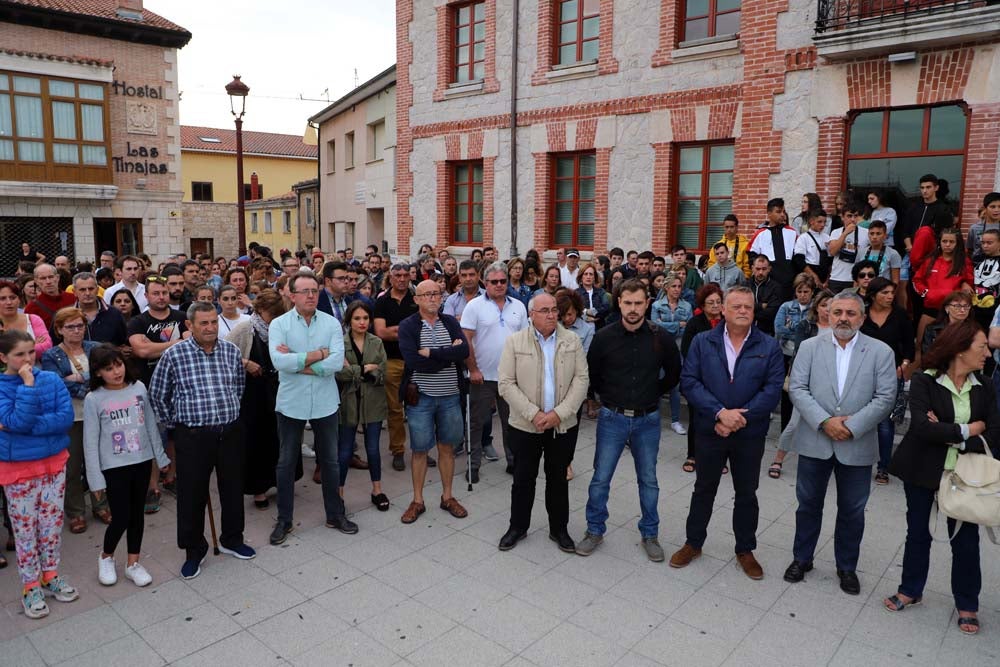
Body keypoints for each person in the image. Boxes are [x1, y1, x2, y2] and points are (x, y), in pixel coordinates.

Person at [884, 320, 996, 635]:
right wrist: (970, 428)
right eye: (981, 346)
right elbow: (920, 427)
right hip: (922, 469)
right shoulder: (924, 381)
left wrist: (947, 432)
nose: (987, 352)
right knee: (917, 532)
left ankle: (967, 603)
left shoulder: (985, 386)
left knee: (966, 540)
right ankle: (910, 589)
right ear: (960, 348)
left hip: (966, 476)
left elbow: (996, 433)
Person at [784, 291, 896, 595]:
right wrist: (825, 422)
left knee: (852, 510)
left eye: (850, 313)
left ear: (862, 317)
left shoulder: (881, 351)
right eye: (838, 313)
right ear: (828, 315)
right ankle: (802, 558)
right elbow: (797, 388)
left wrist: (853, 426)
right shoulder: (808, 347)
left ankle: (846, 566)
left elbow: (886, 397)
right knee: (808, 504)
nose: (843, 318)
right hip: (815, 439)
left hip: (856, 443)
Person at [670, 286, 784, 579]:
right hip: (711, 429)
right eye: (736, 306)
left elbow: (772, 391)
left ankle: (745, 549)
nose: (743, 311)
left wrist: (738, 418)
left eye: (748, 306)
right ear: (723, 310)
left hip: (749, 433)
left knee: (747, 492)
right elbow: (690, 381)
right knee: (703, 489)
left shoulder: (768, 346)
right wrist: (720, 413)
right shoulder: (701, 341)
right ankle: (693, 543)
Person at [577, 279, 681, 562]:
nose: (633, 309)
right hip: (612, 418)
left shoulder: (662, 338)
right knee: (601, 478)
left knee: (649, 480)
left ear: (647, 303)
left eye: (638, 303)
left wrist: (652, 394)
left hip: (647, 420)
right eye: (628, 303)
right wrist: (608, 397)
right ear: (619, 303)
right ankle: (594, 530)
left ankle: (650, 534)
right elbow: (592, 374)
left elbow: (673, 375)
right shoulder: (604, 337)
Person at [150, 302, 254, 579]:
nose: (210, 328)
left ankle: (232, 538)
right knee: (191, 494)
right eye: (203, 323)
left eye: (213, 323)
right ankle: (194, 549)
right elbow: (158, 395)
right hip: (193, 434)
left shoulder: (231, 351)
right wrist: (178, 424)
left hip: (229, 430)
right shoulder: (174, 355)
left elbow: (238, 387)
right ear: (190, 326)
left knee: (232, 487)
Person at [268, 272, 357, 544]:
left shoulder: (331, 324)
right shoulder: (279, 325)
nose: (310, 296)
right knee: (286, 462)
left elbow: (337, 363)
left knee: (330, 461)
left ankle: (335, 513)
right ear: (291, 295)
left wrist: (301, 364)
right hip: (290, 403)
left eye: (314, 291)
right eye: (304, 291)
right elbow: (278, 362)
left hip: (325, 402)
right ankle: (284, 519)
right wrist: (319, 355)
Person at [496, 292, 588, 553]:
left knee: (558, 478)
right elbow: (505, 383)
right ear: (531, 315)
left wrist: (559, 413)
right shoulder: (515, 342)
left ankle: (559, 529)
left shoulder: (572, 340)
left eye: (554, 310)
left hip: (561, 424)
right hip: (526, 425)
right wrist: (533, 414)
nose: (551, 315)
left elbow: (581, 380)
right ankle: (518, 527)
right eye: (544, 310)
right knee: (523, 478)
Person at [0, 330, 76, 619]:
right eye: (20, 354)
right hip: (17, 469)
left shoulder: (52, 379)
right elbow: (14, 419)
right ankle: (30, 585)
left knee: (51, 525)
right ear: (3, 357)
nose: (27, 359)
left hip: (54, 463)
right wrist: (28, 386)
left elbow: (64, 419)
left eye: (31, 352)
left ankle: (51, 574)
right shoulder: (5, 385)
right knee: (25, 531)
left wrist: (21, 426)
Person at [83, 346, 169, 588]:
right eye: (108, 369)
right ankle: (106, 557)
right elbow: (90, 441)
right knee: (120, 517)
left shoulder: (139, 388)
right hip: (114, 466)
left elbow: (150, 424)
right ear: (98, 372)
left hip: (141, 461)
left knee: (137, 516)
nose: (116, 372)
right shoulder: (94, 398)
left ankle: (133, 563)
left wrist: (160, 457)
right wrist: (95, 480)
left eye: (118, 365)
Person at [398, 279, 470, 524]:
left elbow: (464, 352)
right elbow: (414, 362)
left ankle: (447, 496)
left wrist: (432, 352)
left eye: (436, 294)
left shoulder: (449, 322)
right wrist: (447, 354)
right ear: (416, 299)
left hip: (450, 396)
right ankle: (417, 500)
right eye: (426, 294)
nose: (432, 298)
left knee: (447, 448)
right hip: (421, 398)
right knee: (419, 450)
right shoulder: (408, 326)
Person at [41, 308, 109, 533]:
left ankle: (101, 505)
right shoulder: (52, 355)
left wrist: (79, 378)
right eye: (70, 327)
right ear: (59, 329)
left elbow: (106, 375)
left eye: (80, 325)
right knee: (72, 467)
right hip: (72, 417)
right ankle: (76, 512)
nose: (77, 330)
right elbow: (56, 384)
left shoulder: (95, 347)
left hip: (98, 414)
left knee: (99, 461)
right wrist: (87, 383)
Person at [225, 289, 292, 510]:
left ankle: (278, 481)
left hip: (276, 390)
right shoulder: (245, 328)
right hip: (252, 396)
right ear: (261, 310)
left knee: (277, 438)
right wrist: (245, 362)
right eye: (271, 315)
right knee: (255, 442)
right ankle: (258, 490)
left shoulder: (280, 327)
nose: (274, 320)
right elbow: (224, 353)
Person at [461, 262, 528, 480]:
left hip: (510, 378)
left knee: (512, 423)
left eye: (502, 281)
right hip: (482, 377)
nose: (499, 285)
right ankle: (473, 466)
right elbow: (466, 340)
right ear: (485, 282)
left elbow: (524, 343)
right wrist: (473, 369)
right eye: (494, 281)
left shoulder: (518, 305)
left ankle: (513, 462)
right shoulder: (474, 306)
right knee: (477, 424)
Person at [127, 275, 187, 513]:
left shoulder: (182, 318)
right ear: (147, 295)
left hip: (179, 385)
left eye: (164, 292)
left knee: (175, 434)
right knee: (150, 435)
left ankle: (172, 477)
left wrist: (156, 348)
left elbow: (192, 343)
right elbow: (141, 351)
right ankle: (152, 485)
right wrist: (176, 344)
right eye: (156, 293)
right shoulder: (137, 322)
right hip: (147, 385)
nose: (161, 297)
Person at [770, 289, 835, 478]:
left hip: (831, 385)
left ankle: (824, 463)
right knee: (794, 423)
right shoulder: (806, 326)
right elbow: (799, 355)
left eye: (831, 306)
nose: (827, 309)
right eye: (824, 305)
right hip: (808, 382)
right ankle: (778, 459)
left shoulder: (841, 329)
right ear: (817, 307)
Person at [335, 301, 389, 510]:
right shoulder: (341, 343)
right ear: (349, 320)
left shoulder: (376, 342)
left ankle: (377, 489)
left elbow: (383, 371)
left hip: (373, 401)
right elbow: (338, 372)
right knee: (345, 450)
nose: (362, 322)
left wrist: (357, 370)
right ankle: (338, 493)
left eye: (365, 318)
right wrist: (364, 369)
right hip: (348, 401)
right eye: (357, 318)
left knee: (373, 449)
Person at [860, 278, 915, 485]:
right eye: (884, 293)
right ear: (873, 295)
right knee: (862, 418)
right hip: (863, 374)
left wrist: (905, 363)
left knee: (885, 424)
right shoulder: (862, 314)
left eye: (892, 292)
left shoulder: (900, 315)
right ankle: (859, 460)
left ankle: (883, 467)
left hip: (891, 374)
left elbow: (908, 344)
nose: (890, 296)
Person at [374, 263, 419, 472]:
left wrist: (399, 331)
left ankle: (421, 449)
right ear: (390, 278)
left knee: (420, 408)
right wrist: (408, 331)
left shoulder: (417, 300)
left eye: (405, 275)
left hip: (416, 361)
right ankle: (398, 450)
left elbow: (424, 329)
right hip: (391, 360)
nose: (402, 279)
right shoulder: (382, 302)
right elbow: (381, 332)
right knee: (395, 409)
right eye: (397, 275)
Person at [679, 284, 724, 473]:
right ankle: (693, 454)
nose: (715, 306)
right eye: (710, 303)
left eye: (718, 302)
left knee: (720, 419)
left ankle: (719, 458)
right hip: (699, 379)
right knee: (697, 418)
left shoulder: (728, 323)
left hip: (723, 380)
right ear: (703, 305)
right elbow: (687, 350)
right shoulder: (695, 323)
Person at [651, 275, 692, 436]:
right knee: (659, 384)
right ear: (666, 288)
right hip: (661, 350)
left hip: (679, 350)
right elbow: (655, 326)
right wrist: (677, 325)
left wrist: (666, 325)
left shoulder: (687, 306)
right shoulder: (657, 305)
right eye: (673, 286)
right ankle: (655, 419)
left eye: (679, 286)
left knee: (675, 387)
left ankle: (675, 420)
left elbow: (687, 329)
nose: (676, 289)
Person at [749, 198, 797, 302]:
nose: (782, 215)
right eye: (778, 212)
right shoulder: (760, 233)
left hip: (788, 283)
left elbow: (797, 257)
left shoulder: (792, 232)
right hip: (768, 283)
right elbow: (751, 256)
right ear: (769, 213)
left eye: (783, 211)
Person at [72, 272, 127, 347]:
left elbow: (123, 341)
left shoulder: (114, 314)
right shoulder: (66, 316)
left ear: (97, 290)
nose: (87, 293)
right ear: (74, 292)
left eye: (91, 289)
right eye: (82, 290)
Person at [826, 201, 869, 293]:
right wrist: (845, 233)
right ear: (842, 217)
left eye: (855, 216)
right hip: (837, 277)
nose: (853, 219)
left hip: (855, 279)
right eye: (849, 216)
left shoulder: (866, 233)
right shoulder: (836, 232)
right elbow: (832, 251)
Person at [0, 281, 51, 355]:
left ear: (19, 300)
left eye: (13, 298)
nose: (9, 302)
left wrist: (10, 352)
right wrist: (32, 346)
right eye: (2, 299)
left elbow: (47, 346)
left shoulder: (33, 319)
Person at [24, 264, 76, 333]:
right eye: (43, 278)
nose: (48, 282)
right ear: (36, 281)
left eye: (51, 277)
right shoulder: (32, 308)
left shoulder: (73, 299)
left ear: (57, 278)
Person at [793, 208, 832, 286]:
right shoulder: (803, 238)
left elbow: (830, 261)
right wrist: (814, 276)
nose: (823, 225)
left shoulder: (828, 237)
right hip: (809, 275)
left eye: (824, 222)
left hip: (825, 275)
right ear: (811, 221)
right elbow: (799, 260)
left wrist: (827, 280)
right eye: (819, 222)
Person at [749, 255, 781, 335]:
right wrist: (760, 306)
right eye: (758, 269)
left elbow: (771, 313)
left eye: (764, 269)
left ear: (769, 269)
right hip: (746, 330)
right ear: (752, 268)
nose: (760, 272)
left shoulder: (776, 287)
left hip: (767, 331)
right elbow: (741, 306)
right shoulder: (745, 285)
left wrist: (750, 310)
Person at [967, 192, 1000, 263]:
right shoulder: (975, 228)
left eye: (999, 207)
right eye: (992, 207)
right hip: (977, 266)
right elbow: (970, 250)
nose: (997, 210)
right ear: (985, 208)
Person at [575, 262, 610, 328]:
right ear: (581, 277)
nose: (588, 277)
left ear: (594, 277)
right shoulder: (575, 293)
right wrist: (585, 315)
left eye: (591, 274)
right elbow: (574, 311)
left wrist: (592, 312)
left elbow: (606, 308)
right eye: (585, 274)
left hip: (599, 327)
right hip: (581, 327)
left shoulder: (601, 292)